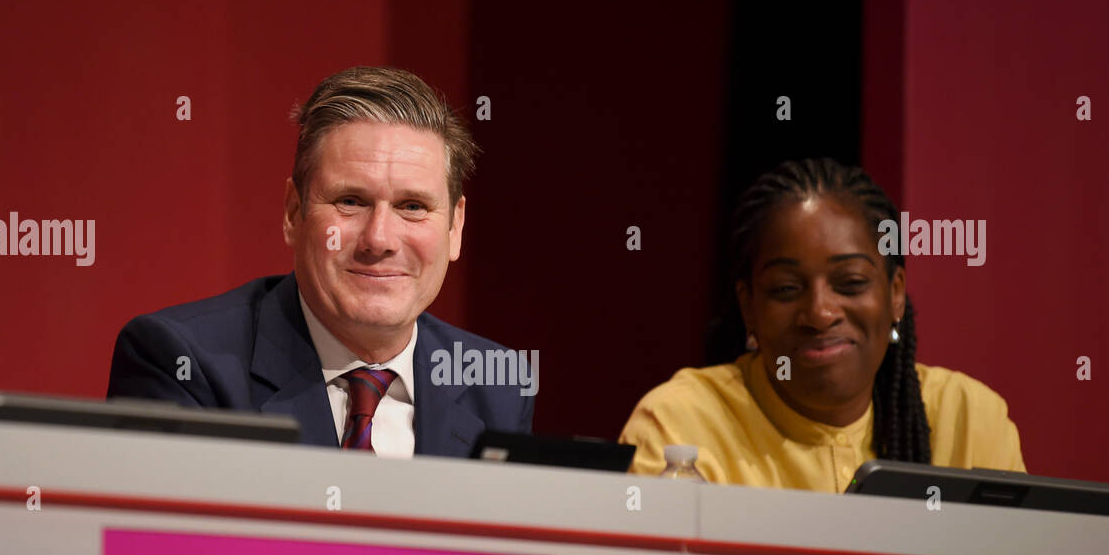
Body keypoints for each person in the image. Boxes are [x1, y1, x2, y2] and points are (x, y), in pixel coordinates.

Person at [107, 66, 533, 457]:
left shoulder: (494, 383)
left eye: (413, 206)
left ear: (455, 227)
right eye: (350, 201)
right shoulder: (183, 363)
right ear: (295, 213)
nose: (379, 239)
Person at [620, 158, 1026, 490]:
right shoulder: (681, 424)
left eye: (849, 283)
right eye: (785, 288)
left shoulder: (969, 419)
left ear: (895, 294)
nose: (819, 313)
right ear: (749, 307)